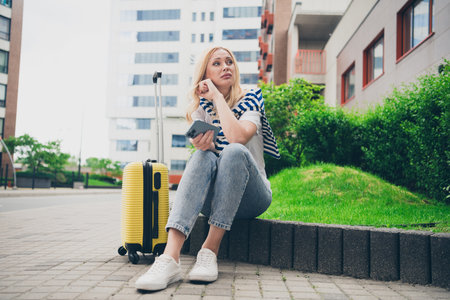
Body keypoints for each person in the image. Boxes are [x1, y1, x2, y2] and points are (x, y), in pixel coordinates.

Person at [135, 46, 280, 291]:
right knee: (202, 157)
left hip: (252, 197)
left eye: (229, 62)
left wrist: (217, 98)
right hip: (214, 200)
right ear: (205, 74)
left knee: (233, 151)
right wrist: (203, 144)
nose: (226, 66)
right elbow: (207, 158)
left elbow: (237, 137)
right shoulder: (201, 109)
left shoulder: (251, 96)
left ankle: (209, 252)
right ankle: (170, 258)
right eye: (217, 63)